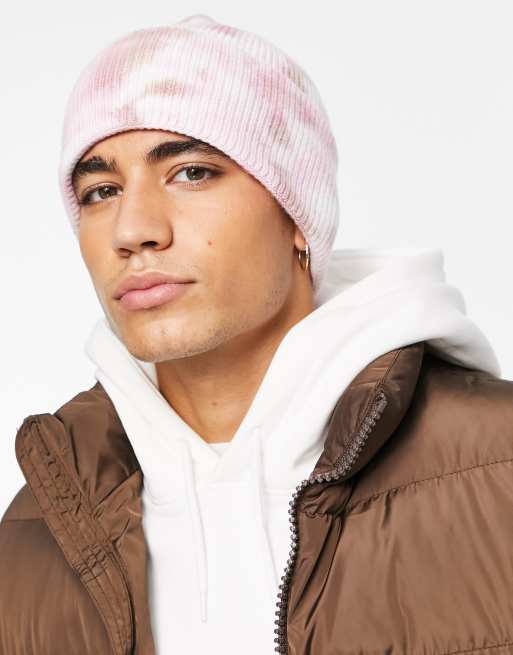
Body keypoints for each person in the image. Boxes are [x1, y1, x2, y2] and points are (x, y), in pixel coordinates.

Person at [1, 13, 513, 655]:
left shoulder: (500, 464)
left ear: (297, 212)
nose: (133, 230)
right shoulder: (36, 532)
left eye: (191, 172)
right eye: (101, 191)